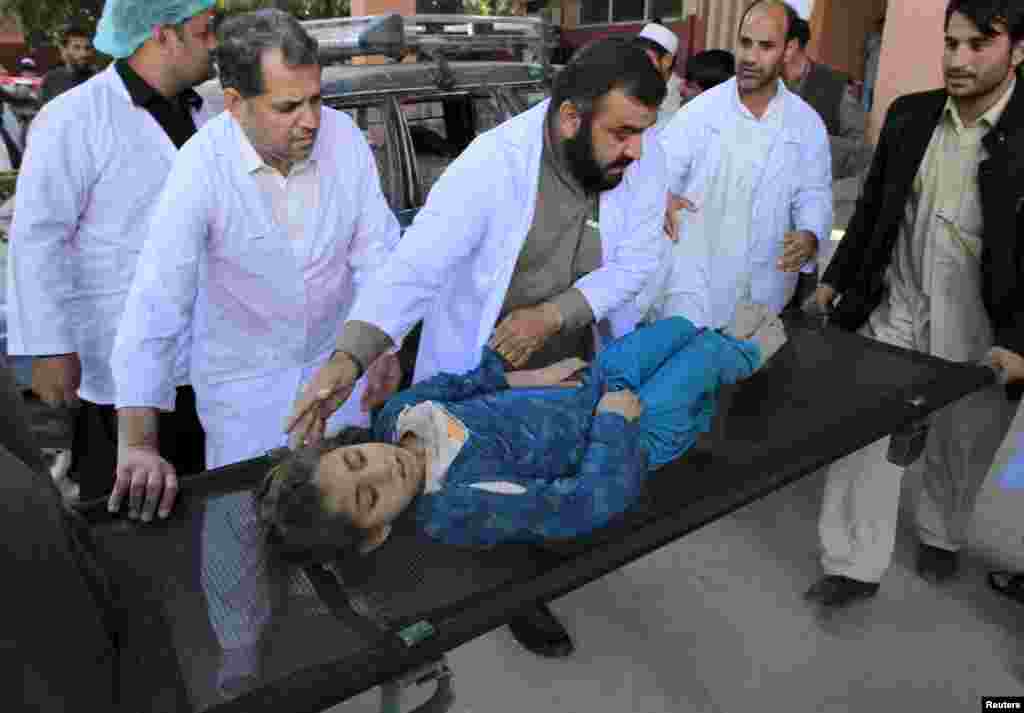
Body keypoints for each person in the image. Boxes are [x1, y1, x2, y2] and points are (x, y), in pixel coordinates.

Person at [285, 37, 669, 659]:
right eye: (623, 133)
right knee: (490, 493)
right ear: (570, 118)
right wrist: (348, 358)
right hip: (488, 361)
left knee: (553, 475)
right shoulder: (493, 166)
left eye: (642, 133)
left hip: (575, 347)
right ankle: (517, 595)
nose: (638, 150)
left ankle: (543, 571)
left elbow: (641, 259)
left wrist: (555, 313)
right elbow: (415, 268)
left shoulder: (639, 157)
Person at [111, 9, 401, 511]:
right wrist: (137, 442)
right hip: (243, 394)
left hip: (338, 376)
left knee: (348, 518)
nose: (311, 121)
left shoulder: (345, 139)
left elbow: (377, 254)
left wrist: (380, 346)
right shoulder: (200, 167)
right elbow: (156, 304)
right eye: (288, 107)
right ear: (234, 104)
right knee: (248, 529)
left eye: (316, 99)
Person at [804, 0, 1024, 609]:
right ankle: (851, 563)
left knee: (962, 442)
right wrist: (835, 279)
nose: (958, 59)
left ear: (1017, 51)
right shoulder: (910, 116)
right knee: (863, 436)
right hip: (896, 310)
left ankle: (940, 532)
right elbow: (872, 210)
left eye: (978, 45)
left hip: (982, 325)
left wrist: (1021, 343)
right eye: (951, 43)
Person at [262, 311, 784, 552]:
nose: (382, 469)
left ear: (345, 448)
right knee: (704, 356)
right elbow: (583, 505)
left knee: (675, 329)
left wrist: (534, 376)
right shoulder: (457, 507)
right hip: (630, 432)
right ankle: (746, 353)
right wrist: (613, 424)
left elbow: (463, 385)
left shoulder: (398, 413)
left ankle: (718, 346)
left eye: (357, 461)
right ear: (376, 534)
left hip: (589, 386)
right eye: (371, 497)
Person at [6, 0, 218, 504]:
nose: (214, 43)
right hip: (117, 361)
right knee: (130, 514)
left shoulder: (210, 112)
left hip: (213, 358)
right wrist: (50, 347)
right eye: (204, 31)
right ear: (164, 34)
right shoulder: (73, 117)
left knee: (212, 504)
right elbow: (38, 238)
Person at [650, 0, 831, 330]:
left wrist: (810, 235)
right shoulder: (700, 113)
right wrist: (660, 197)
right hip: (696, 291)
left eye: (765, 46)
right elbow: (657, 174)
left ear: (789, 49)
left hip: (766, 295)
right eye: (745, 43)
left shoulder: (806, 124)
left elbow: (814, 192)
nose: (750, 57)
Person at [783, 17, 871, 180]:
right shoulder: (762, 84)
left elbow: (860, 154)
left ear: (791, 47)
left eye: (767, 44)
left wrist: (814, 142)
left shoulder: (837, 86)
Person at [634, 20, 680, 131]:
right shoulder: (635, 87)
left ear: (667, 61)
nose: (637, 65)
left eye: (645, 59)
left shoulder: (681, 96)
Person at [40, 24, 96, 105]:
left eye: (87, 48)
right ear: (64, 50)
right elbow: (43, 110)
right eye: (76, 48)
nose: (83, 53)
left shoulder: (96, 80)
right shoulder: (50, 79)